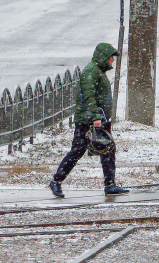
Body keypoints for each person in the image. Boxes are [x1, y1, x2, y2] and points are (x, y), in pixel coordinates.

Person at [50, 43, 127, 198]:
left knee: (107, 149)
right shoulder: (91, 72)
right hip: (89, 120)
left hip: (97, 119)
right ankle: (56, 181)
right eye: (111, 57)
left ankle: (110, 184)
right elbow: (88, 97)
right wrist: (95, 117)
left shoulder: (97, 71)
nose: (112, 60)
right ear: (104, 57)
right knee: (78, 151)